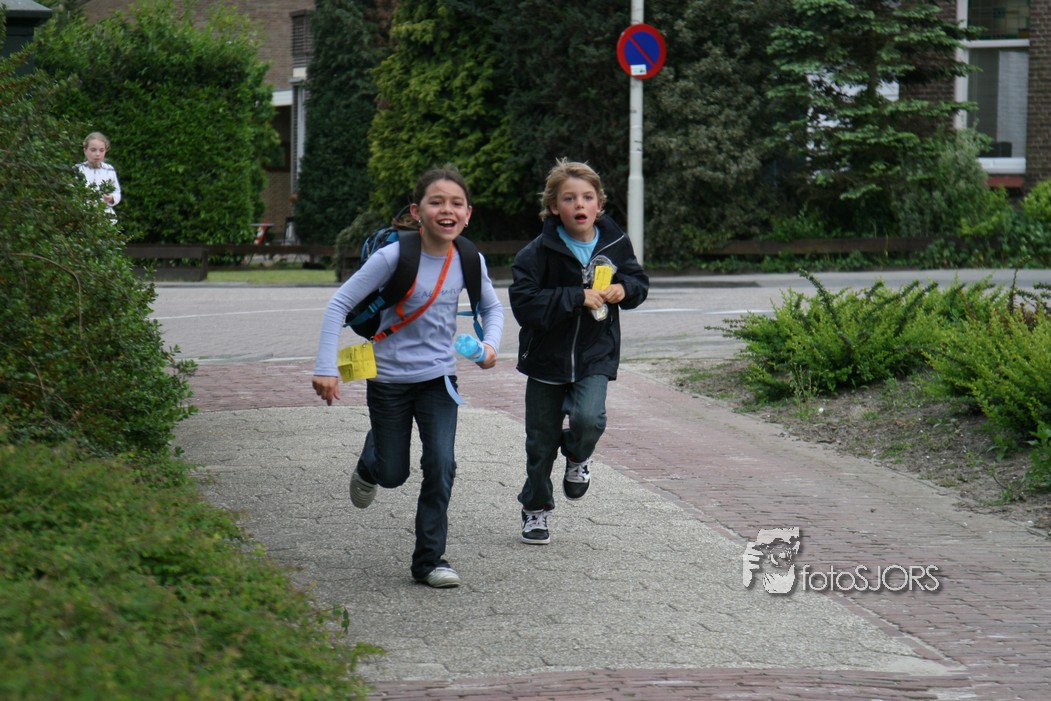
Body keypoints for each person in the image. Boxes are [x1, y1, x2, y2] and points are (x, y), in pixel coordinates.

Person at [312, 166, 505, 588]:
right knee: (393, 474)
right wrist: (326, 367)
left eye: (456, 203)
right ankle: (371, 461)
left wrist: (490, 346)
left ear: (468, 213)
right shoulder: (394, 257)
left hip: (439, 379)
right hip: (388, 381)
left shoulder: (468, 259)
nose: (447, 210)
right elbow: (338, 304)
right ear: (418, 212)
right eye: (437, 202)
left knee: (441, 464)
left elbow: (492, 308)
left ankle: (430, 561)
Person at [509, 158, 649, 545]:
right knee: (540, 444)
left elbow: (638, 281)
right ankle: (535, 508)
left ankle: (577, 455)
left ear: (599, 204)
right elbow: (525, 304)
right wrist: (576, 296)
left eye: (587, 197)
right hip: (545, 359)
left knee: (589, 419)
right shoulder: (536, 253)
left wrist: (624, 289)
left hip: (594, 354)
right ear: (554, 207)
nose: (579, 204)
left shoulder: (615, 242)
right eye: (569, 198)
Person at [75, 132, 121, 221]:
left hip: (106, 218)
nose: (97, 154)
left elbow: (116, 191)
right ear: (85, 150)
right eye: (93, 150)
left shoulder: (109, 170)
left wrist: (111, 198)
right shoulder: (78, 169)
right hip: (82, 217)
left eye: (101, 150)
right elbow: (72, 192)